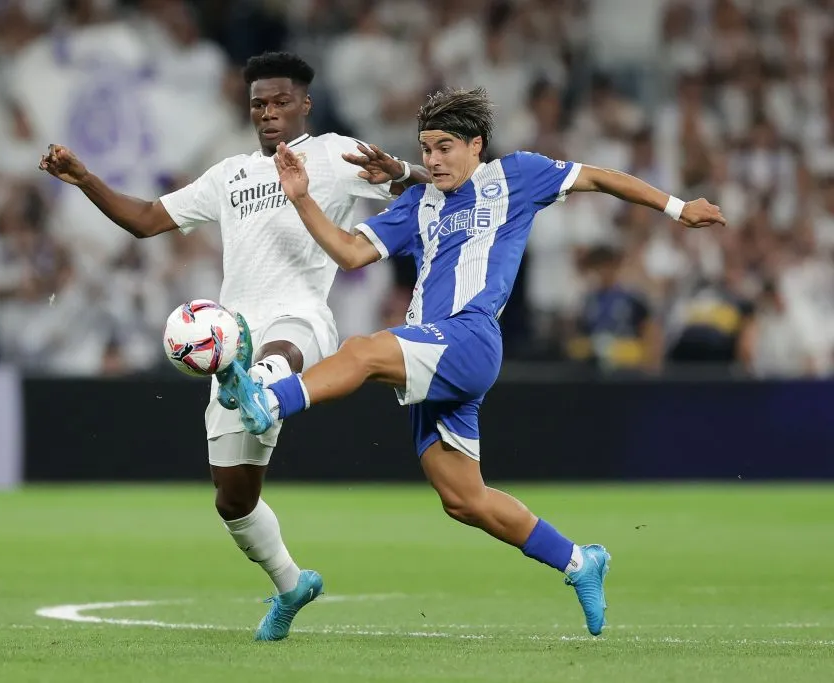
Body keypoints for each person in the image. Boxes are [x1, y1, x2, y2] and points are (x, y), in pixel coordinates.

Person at [226, 87, 726, 636]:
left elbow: (602, 177)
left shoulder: (518, 176)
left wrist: (679, 209)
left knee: (363, 351)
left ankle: (269, 399)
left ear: (475, 145)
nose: (433, 160)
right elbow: (349, 254)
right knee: (464, 500)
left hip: (469, 338)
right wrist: (301, 198)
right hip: (433, 346)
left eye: (444, 148)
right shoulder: (418, 204)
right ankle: (581, 561)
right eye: (426, 149)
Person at [39, 51, 427, 641]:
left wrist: (401, 174)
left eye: (279, 103)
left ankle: (265, 384)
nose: (268, 114)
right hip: (231, 341)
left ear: (305, 104)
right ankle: (292, 584)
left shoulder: (333, 154)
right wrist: (85, 178)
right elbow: (146, 220)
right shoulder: (231, 175)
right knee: (233, 500)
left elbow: (424, 182)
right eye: (258, 105)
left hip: (301, 319)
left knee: (282, 346)